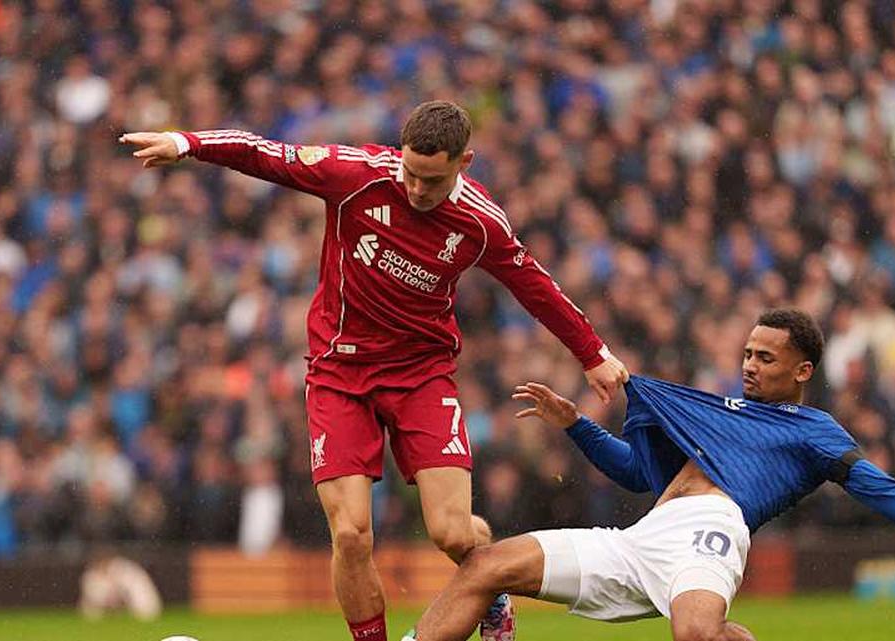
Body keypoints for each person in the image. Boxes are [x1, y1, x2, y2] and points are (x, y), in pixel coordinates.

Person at [119, 100, 628, 641]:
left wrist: (593, 353)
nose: (415, 189)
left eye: (431, 180)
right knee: (352, 534)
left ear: (465, 162)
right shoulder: (357, 175)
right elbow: (266, 154)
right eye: (409, 172)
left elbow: (535, 287)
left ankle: (492, 588)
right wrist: (188, 143)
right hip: (339, 374)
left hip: (421, 376)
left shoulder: (481, 223)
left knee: (453, 534)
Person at [402, 309, 895, 641]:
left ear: (802, 371)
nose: (750, 365)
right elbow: (637, 474)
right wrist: (577, 426)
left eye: (766, 357)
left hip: (714, 529)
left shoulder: (816, 433)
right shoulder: (712, 411)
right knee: (483, 567)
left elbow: (883, 492)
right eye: (747, 353)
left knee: (697, 632)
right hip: (645, 535)